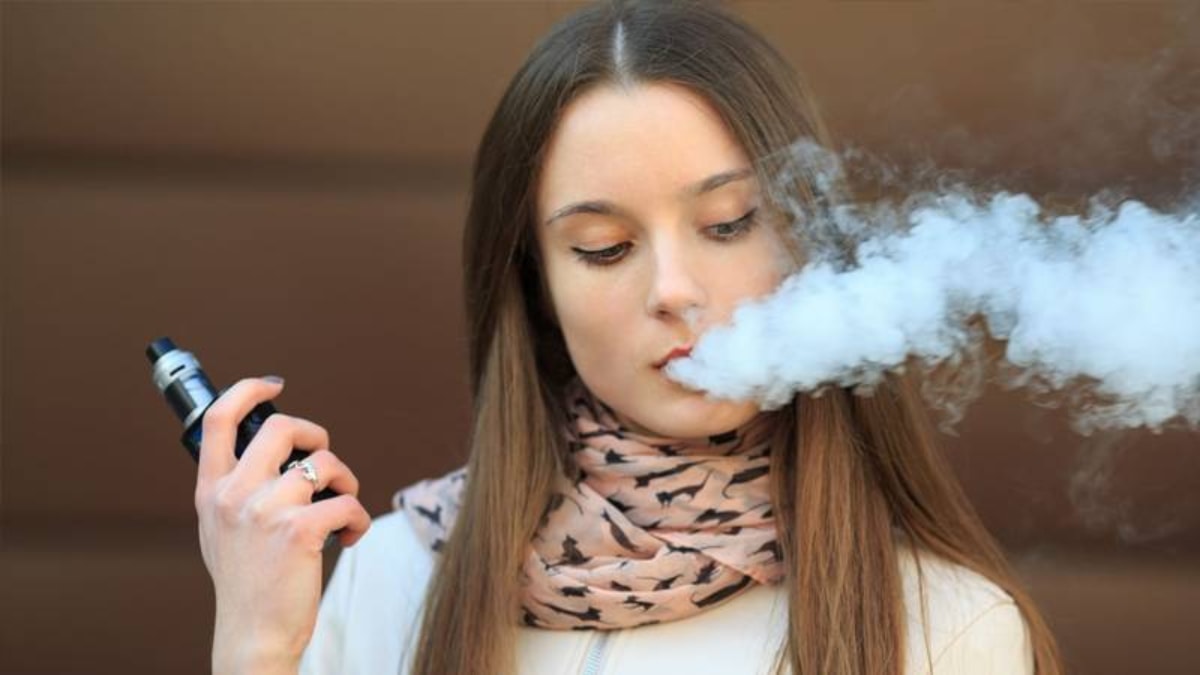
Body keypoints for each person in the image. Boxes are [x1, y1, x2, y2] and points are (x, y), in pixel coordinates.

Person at [193, 1, 1065, 674]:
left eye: (729, 223)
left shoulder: (950, 629)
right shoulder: (393, 577)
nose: (674, 289)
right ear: (538, 287)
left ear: (808, 239)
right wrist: (257, 644)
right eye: (605, 247)